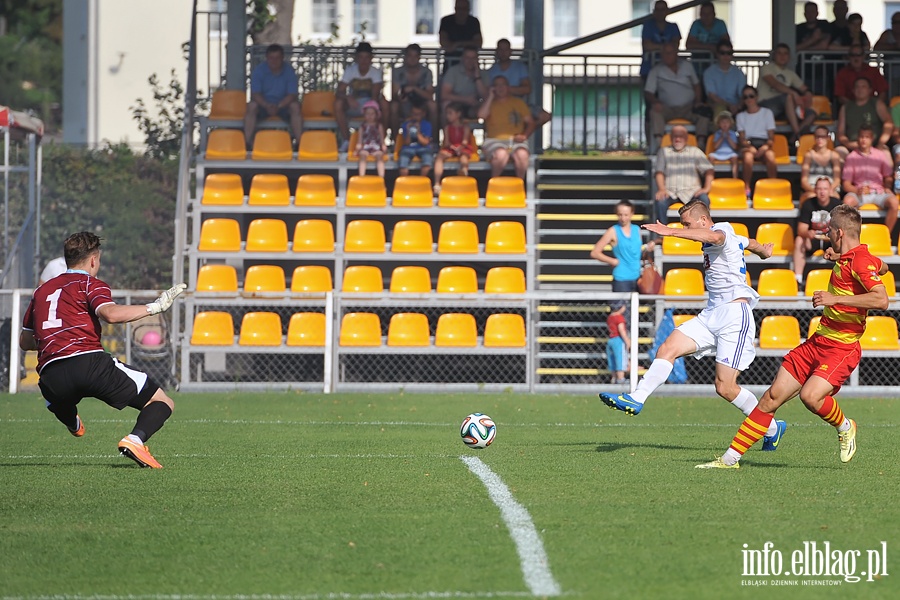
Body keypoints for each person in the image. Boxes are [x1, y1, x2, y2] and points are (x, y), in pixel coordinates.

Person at [697, 205, 888, 468]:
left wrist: (834, 298)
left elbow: (882, 299)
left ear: (840, 233)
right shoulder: (856, 258)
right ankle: (730, 459)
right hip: (817, 342)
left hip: (841, 348)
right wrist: (840, 258)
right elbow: (883, 267)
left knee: (811, 396)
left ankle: (845, 426)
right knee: (771, 397)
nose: (827, 234)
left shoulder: (860, 261)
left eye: (830, 230)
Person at [598, 200, 787, 452]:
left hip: (734, 315)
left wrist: (671, 231)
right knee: (668, 347)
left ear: (702, 220)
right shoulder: (731, 237)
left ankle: (773, 428)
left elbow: (715, 236)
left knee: (725, 387)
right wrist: (763, 251)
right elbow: (748, 242)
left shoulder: (720, 231)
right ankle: (637, 398)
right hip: (711, 314)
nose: (684, 227)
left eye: (687, 224)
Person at [19, 232, 186, 469]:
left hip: (50, 374)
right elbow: (111, 314)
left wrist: (56, 338)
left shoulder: (41, 291)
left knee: (58, 397)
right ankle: (135, 440)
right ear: (94, 260)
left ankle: (67, 416)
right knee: (162, 401)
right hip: (89, 364)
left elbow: (25, 341)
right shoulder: (89, 283)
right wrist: (155, 307)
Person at [644, 43, 709, 153]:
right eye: (664, 53)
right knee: (654, 111)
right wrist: (655, 101)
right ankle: (660, 145)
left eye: (669, 53)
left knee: (704, 111)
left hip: (688, 107)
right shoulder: (656, 70)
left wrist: (698, 101)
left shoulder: (687, 66)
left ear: (676, 54)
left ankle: (701, 144)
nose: (666, 56)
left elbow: (696, 85)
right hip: (667, 108)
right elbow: (648, 92)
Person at [841, 124, 898, 234]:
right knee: (847, 203)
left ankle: (885, 235)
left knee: (894, 203)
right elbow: (846, 184)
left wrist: (887, 187)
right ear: (858, 138)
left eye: (867, 137)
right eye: (861, 136)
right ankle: (851, 236)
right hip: (859, 192)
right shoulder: (851, 157)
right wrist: (857, 190)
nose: (863, 140)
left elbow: (888, 176)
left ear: (872, 139)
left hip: (878, 191)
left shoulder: (880, 155)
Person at [244, 44, 303, 148]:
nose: (274, 61)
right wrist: (266, 105)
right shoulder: (259, 71)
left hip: (284, 106)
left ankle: (300, 144)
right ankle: (247, 143)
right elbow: (255, 94)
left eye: (277, 58)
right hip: (263, 106)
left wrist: (279, 106)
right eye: (271, 58)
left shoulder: (289, 71)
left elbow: (292, 95)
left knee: (295, 106)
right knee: (251, 106)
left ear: (282, 58)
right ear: (266, 58)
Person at [590, 200, 653, 297]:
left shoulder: (637, 229)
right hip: (621, 278)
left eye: (626, 215)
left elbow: (636, 251)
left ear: (632, 214)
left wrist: (647, 248)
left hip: (637, 277)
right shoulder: (613, 231)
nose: (623, 218)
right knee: (621, 311)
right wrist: (612, 261)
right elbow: (595, 252)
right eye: (620, 215)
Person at [486, 38, 552, 129]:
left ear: (510, 51)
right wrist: (513, 90)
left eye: (506, 49)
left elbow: (527, 89)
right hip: (499, 106)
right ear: (497, 51)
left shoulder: (520, 67)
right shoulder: (491, 71)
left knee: (545, 116)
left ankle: (522, 133)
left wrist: (505, 89)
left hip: (521, 105)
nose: (503, 52)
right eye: (500, 49)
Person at [478, 75, 535, 180]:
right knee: (501, 154)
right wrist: (490, 96)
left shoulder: (518, 103)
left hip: (516, 140)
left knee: (522, 155)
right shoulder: (489, 103)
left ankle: (519, 185)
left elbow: (530, 122)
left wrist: (524, 135)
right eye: (497, 85)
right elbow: (481, 116)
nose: (500, 88)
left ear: (508, 87)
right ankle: (494, 183)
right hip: (494, 141)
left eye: (503, 85)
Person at [335, 42, 388, 151]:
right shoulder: (350, 71)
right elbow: (339, 92)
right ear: (356, 58)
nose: (363, 61)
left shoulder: (375, 72)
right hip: (354, 105)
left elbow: (375, 96)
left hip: (371, 105)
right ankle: (346, 140)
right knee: (338, 104)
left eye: (366, 57)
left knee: (385, 104)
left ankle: (382, 140)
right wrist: (348, 98)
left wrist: (369, 110)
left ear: (371, 58)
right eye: (361, 57)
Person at [654, 124, 713, 221]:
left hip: (692, 192)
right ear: (670, 138)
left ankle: (705, 232)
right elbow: (659, 172)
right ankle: (660, 235)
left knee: (704, 199)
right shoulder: (663, 151)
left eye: (680, 136)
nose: (678, 139)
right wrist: (661, 189)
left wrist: (706, 188)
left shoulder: (695, 151)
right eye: (675, 136)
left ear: (686, 138)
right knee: (660, 201)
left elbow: (709, 170)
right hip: (670, 192)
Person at [793, 177, 843, 283]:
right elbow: (801, 228)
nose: (822, 192)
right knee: (799, 240)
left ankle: (844, 279)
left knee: (844, 241)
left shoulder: (838, 204)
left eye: (825, 189)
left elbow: (843, 227)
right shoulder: (808, 204)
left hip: (831, 242)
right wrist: (807, 233)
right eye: (819, 189)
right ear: (815, 190)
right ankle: (798, 279)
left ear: (830, 190)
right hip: (813, 239)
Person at [835, 77, 893, 160]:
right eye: (857, 87)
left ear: (870, 90)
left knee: (885, 154)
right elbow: (840, 132)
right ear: (853, 90)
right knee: (839, 153)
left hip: (875, 145)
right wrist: (848, 143)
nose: (860, 89)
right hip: (851, 146)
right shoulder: (845, 107)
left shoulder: (877, 104)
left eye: (863, 87)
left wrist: (880, 143)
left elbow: (888, 124)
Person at [736, 85, 777, 196]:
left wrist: (765, 147)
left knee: (770, 156)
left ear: (757, 97)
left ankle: (773, 184)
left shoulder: (767, 112)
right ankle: (747, 187)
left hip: (764, 143)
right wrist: (750, 147)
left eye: (751, 96)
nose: (749, 99)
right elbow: (742, 138)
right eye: (745, 97)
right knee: (748, 157)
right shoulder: (740, 116)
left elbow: (771, 137)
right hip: (749, 144)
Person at [391, 44, 437, 136]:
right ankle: (395, 140)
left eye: (415, 56)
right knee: (394, 106)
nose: (412, 59)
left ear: (419, 57)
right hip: (404, 103)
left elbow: (429, 95)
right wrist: (400, 98)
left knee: (433, 105)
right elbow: (394, 94)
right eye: (410, 56)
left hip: (422, 104)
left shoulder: (427, 72)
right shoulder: (397, 71)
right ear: (405, 57)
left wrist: (414, 89)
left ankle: (434, 140)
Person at [433, 102, 475, 194]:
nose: (448, 116)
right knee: (440, 157)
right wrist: (453, 147)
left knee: (464, 157)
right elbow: (447, 142)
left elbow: (465, 141)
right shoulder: (447, 128)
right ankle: (436, 183)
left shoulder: (465, 127)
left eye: (450, 113)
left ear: (458, 114)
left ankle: (464, 172)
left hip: (462, 148)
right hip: (451, 148)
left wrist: (460, 147)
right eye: (447, 113)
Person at [439, 47, 488, 120]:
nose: (470, 61)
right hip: (456, 105)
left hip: (474, 106)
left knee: (487, 106)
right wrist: (465, 99)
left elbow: (485, 96)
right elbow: (444, 94)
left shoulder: (483, 73)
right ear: (462, 58)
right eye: (467, 58)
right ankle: (447, 130)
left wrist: (477, 76)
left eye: (473, 58)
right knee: (445, 105)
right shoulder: (453, 71)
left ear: (477, 59)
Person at [795, 1, 832, 95]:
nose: (810, 14)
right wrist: (813, 39)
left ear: (817, 13)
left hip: (821, 72)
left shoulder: (824, 25)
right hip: (803, 72)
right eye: (808, 11)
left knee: (822, 99)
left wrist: (804, 48)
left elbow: (824, 46)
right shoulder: (798, 28)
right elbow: (794, 48)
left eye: (813, 11)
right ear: (804, 14)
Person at [703, 41, 746, 118]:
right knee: (720, 111)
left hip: (736, 105)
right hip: (716, 104)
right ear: (717, 54)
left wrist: (738, 106)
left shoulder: (739, 72)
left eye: (729, 53)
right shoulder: (709, 72)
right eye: (722, 53)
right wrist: (729, 105)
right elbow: (712, 96)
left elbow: (743, 94)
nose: (726, 56)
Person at [799, 125, 842, 202]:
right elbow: (804, 180)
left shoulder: (834, 156)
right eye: (817, 136)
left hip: (830, 189)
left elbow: (837, 179)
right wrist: (815, 190)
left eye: (823, 136)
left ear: (828, 138)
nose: (820, 139)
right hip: (812, 188)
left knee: (835, 198)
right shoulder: (808, 155)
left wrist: (828, 190)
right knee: (810, 197)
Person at [640, 0, 682, 79]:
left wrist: (657, 47)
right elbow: (647, 46)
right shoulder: (648, 25)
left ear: (667, 11)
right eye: (657, 10)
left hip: (669, 70)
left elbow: (675, 45)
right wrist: (667, 48)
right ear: (653, 11)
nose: (660, 13)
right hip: (649, 69)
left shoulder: (673, 27)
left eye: (662, 10)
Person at [439, 0, 483, 72]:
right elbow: (443, 42)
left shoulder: (473, 22)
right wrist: (468, 44)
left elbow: (478, 43)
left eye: (464, 9)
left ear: (468, 9)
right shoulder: (446, 21)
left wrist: (457, 44)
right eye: (459, 8)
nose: (461, 12)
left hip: (471, 65)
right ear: (455, 8)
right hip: (450, 63)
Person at [397, 99, 433, 178]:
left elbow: (425, 142)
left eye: (418, 114)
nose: (415, 116)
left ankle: (421, 180)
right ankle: (405, 182)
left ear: (423, 114)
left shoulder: (427, 125)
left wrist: (418, 132)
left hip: (423, 148)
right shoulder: (406, 124)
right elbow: (406, 143)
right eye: (414, 114)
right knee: (403, 163)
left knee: (427, 161)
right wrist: (408, 131)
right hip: (408, 148)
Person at [355, 100, 386, 178]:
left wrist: (383, 146)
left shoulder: (379, 126)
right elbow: (360, 140)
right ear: (364, 115)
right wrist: (357, 149)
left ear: (376, 115)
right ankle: (362, 176)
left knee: (379, 158)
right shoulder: (362, 127)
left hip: (376, 148)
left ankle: (381, 178)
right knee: (362, 156)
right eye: (367, 114)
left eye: (372, 114)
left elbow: (382, 139)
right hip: (366, 147)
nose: (370, 116)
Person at [606, 302, 631, 385]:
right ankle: (621, 378)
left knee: (612, 360)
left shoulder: (610, 317)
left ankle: (614, 378)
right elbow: (621, 330)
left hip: (611, 340)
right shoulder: (619, 317)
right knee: (620, 359)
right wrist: (627, 341)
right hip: (618, 340)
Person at [709, 110, 739, 179]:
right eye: (722, 122)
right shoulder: (717, 133)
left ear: (730, 124)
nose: (725, 124)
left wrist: (728, 138)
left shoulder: (733, 134)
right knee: (711, 157)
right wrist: (721, 137)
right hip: (719, 153)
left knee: (735, 157)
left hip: (730, 153)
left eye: (727, 122)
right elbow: (715, 147)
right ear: (719, 124)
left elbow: (734, 147)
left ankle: (735, 178)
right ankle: (710, 177)